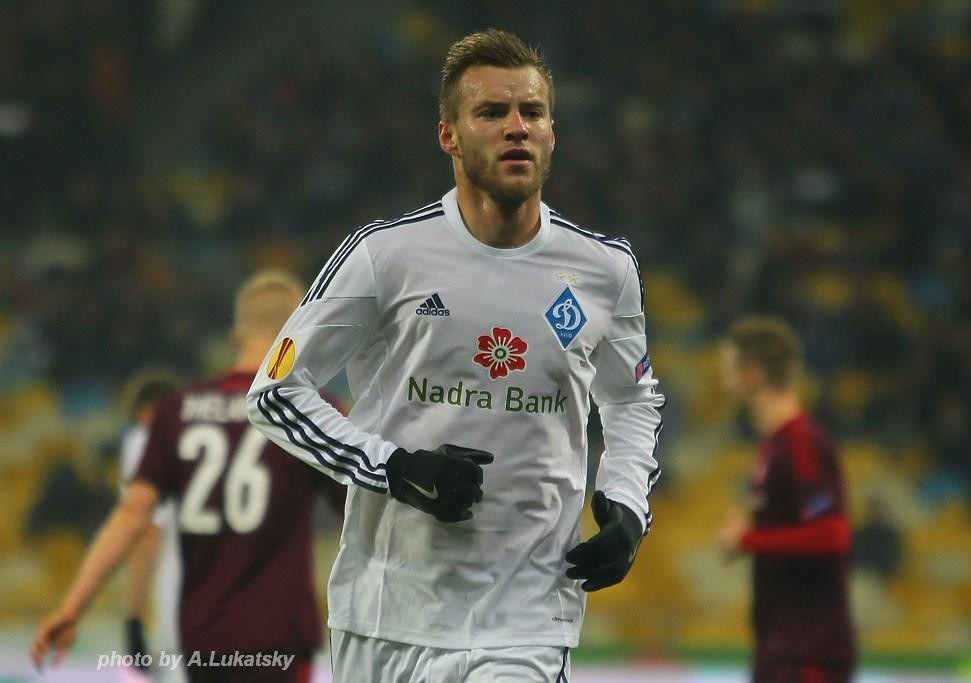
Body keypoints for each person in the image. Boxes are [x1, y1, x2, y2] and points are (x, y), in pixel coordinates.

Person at [246, 28, 665, 683]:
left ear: (552, 133)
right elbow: (275, 392)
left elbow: (632, 398)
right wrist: (393, 467)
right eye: (492, 112)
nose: (516, 127)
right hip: (388, 609)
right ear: (449, 135)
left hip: (526, 615)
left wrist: (628, 501)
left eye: (532, 112)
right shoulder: (385, 256)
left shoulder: (604, 270)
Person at [32, 270, 346, 683]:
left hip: (203, 637)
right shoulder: (310, 410)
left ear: (235, 336)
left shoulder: (176, 412)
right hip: (277, 637)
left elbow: (131, 516)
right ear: (299, 336)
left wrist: (71, 608)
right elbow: (360, 513)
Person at [717, 316, 856, 683]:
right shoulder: (776, 446)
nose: (725, 383)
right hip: (782, 649)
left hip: (807, 653)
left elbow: (832, 535)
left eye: (730, 371)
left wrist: (747, 540)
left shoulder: (801, 441)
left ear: (751, 374)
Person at [117, 370, 183, 681]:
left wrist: (134, 616)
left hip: (179, 582)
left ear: (144, 413)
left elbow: (147, 532)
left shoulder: (145, 440)